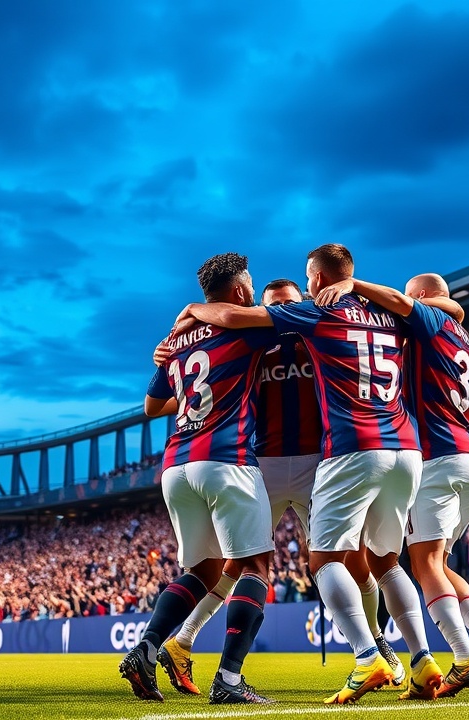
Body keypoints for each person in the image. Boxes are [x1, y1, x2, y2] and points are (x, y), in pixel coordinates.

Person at [176, 244, 450, 705]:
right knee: (246, 562)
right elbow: (445, 310)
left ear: (314, 283)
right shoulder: (376, 314)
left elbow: (229, 318)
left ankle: (374, 649)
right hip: (340, 453)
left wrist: (190, 312)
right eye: (275, 303)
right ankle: (184, 640)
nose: (284, 306)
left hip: (330, 457)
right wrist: (360, 286)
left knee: (348, 561)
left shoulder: (313, 319)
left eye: (294, 295)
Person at [315, 272, 469, 698]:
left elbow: (404, 305)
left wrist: (353, 285)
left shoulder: (426, 319)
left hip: (437, 455)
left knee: (425, 566)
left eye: (409, 297)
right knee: (439, 564)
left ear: (420, 297)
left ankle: (463, 657)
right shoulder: (463, 336)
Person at [120, 253, 278, 705]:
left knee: (204, 571)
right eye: (250, 287)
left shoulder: (178, 338)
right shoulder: (244, 325)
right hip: (226, 457)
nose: (253, 293)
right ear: (239, 291)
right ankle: (229, 679)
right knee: (254, 568)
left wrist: (185, 325)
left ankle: (147, 648)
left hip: (177, 464)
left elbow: (151, 406)